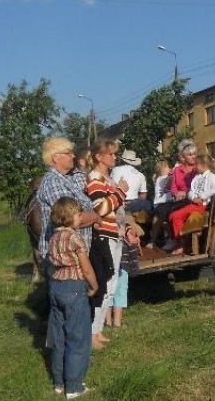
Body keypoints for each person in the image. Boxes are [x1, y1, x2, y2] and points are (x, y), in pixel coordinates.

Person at [47, 197, 99, 399]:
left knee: (59, 338)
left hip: (56, 287)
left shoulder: (53, 238)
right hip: (74, 288)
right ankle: (74, 386)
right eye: (78, 214)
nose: (81, 218)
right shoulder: (75, 238)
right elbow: (86, 268)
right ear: (68, 217)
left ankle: (59, 383)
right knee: (78, 338)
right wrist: (94, 285)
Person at [85, 139, 129, 350]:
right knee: (105, 283)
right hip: (105, 235)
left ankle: (98, 330)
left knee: (112, 285)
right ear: (98, 156)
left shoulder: (108, 179)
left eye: (114, 154)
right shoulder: (94, 179)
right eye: (110, 154)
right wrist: (120, 191)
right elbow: (101, 209)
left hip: (116, 234)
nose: (114, 157)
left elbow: (117, 211)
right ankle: (92, 332)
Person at [37, 138, 101, 271]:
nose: (73, 156)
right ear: (56, 157)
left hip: (73, 256)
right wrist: (96, 216)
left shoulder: (66, 180)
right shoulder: (54, 182)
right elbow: (71, 218)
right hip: (64, 260)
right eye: (68, 153)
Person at [166, 154, 215, 255]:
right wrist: (193, 198)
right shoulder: (197, 177)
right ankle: (183, 242)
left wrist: (202, 196)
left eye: (197, 164)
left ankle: (183, 244)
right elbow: (191, 191)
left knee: (175, 216)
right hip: (194, 204)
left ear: (204, 165)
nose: (195, 166)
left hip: (203, 206)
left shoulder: (211, 176)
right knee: (172, 216)